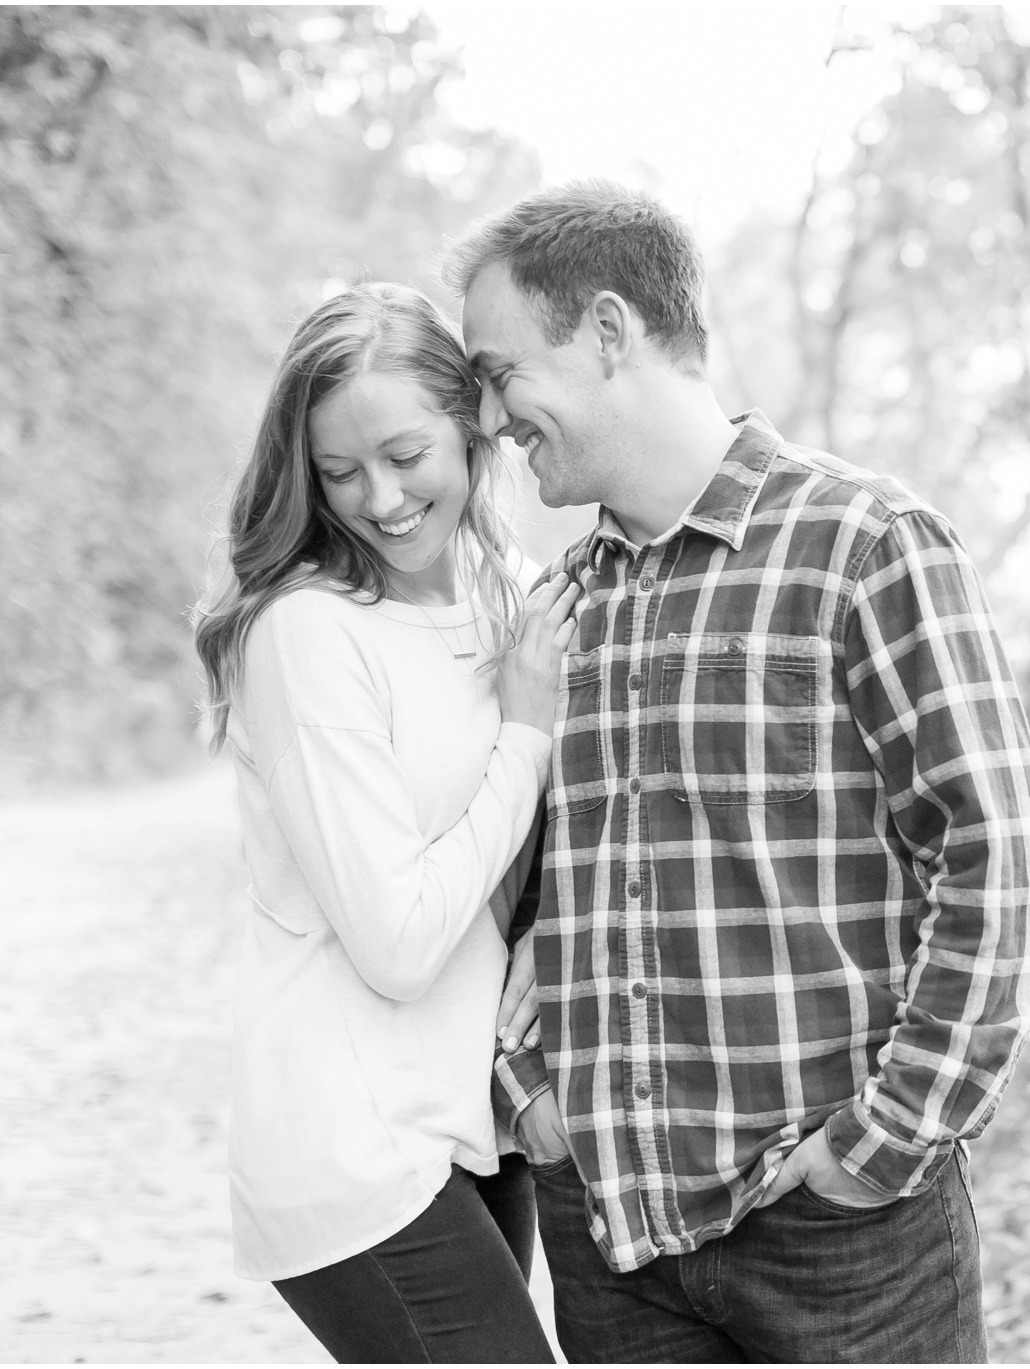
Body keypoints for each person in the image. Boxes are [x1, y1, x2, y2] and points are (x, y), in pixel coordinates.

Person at [447, 182, 1030, 1363]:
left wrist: (880, 1147)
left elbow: (996, 862)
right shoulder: (556, 607)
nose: (486, 415)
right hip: (614, 1241)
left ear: (609, 332)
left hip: (841, 1244)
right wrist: (534, 1096)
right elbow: (508, 888)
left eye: (498, 369)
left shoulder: (861, 543)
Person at [192, 283, 579, 1363]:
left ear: (471, 428)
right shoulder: (308, 633)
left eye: (407, 454)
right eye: (339, 470)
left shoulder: (513, 594)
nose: (382, 497)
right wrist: (524, 735)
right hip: (350, 1140)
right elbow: (400, 940)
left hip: (471, 1116)